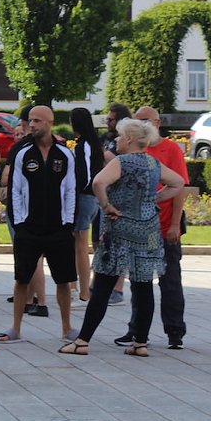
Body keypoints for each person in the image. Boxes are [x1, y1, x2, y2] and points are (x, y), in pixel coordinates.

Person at [59, 118, 184, 357]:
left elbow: (98, 182)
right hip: (147, 231)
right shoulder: (153, 162)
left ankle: (82, 340)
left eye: (119, 135)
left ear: (129, 139)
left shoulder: (121, 161)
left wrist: (106, 205)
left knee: (104, 285)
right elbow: (177, 183)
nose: (115, 139)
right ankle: (140, 343)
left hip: (120, 230)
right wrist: (152, 200)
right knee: (143, 285)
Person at [0, 105, 77, 343]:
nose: (31, 125)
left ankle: (66, 327)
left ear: (49, 122)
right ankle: (15, 328)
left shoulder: (64, 154)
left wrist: (68, 221)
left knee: (63, 279)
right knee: (22, 278)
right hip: (29, 227)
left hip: (58, 227)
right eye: (30, 121)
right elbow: (16, 191)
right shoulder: (23, 153)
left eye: (37, 121)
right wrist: (20, 222)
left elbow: (70, 190)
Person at [113, 107, 190, 350]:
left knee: (170, 280)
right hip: (141, 227)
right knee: (139, 280)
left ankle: (174, 331)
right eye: (137, 121)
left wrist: (175, 224)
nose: (142, 124)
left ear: (157, 122)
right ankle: (136, 330)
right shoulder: (134, 151)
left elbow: (180, 187)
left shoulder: (170, 149)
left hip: (165, 224)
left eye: (145, 120)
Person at [1, 105, 49, 317]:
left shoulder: (20, 149)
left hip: (22, 211)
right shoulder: (54, 147)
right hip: (44, 211)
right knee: (37, 256)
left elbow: (7, 178)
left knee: (28, 257)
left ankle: (33, 300)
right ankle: (37, 300)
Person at [68, 107, 104, 309]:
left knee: (80, 246)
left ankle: (82, 293)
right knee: (78, 246)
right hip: (90, 198)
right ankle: (77, 290)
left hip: (84, 197)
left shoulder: (84, 146)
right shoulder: (92, 143)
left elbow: (84, 174)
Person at [98, 103, 132, 306]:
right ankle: (103, 284)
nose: (107, 123)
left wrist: (107, 156)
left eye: (110, 119)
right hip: (109, 196)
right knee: (105, 242)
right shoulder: (107, 139)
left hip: (120, 198)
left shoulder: (127, 146)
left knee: (121, 245)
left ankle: (118, 289)